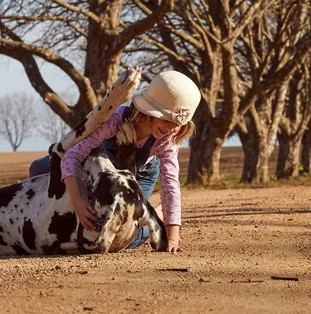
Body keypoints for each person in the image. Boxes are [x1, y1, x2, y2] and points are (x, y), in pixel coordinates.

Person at [29, 71, 201, 253]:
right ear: (149, 110)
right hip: (102, 166)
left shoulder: (167, 138)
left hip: (141, 172)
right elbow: (72, 156)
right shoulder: (116, 119)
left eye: (179, 123)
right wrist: (78, 202)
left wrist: (172, 236)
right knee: (39, 168)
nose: (171, 128)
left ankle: (154, 213)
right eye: (166, 118)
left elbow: (170, 184)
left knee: (122, 234)